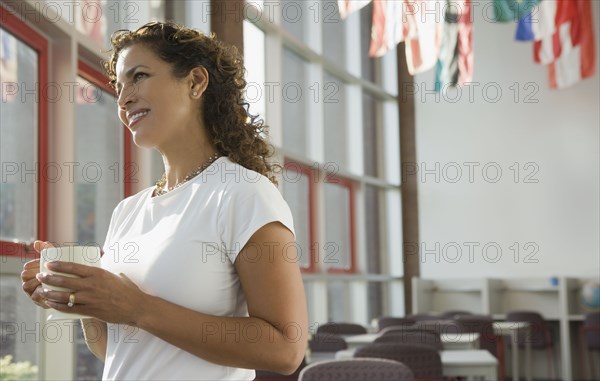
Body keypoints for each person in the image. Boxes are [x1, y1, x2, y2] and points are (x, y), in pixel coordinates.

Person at [21, 21, 307, 380]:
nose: (123, 99)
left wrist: (138, 307)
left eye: (139, 76)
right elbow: (115, 349)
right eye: (119, 86)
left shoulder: (243, 193)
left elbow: (285, 349)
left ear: (195, 82)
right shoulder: (128, 211)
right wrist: (81, 298)